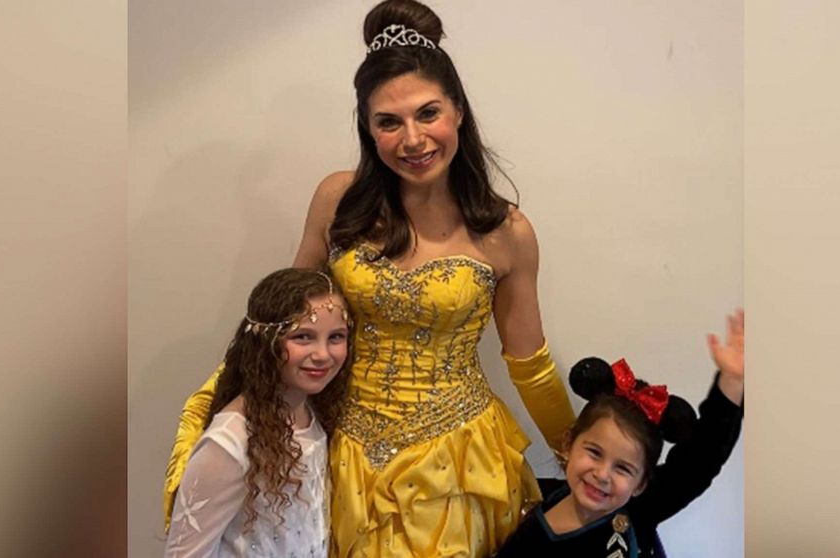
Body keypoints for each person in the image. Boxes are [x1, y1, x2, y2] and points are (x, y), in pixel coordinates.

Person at [164, 0, 577, 555]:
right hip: (342, 449)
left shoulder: (507, 232)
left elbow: (530, 365)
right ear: (368, 127)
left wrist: (579, 451)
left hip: (456, 462)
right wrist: (210, 413)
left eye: (428, 113)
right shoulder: (338, 200)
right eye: (389, 121)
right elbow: (277, 322)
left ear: (457, 110)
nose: (413, 139)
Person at [494, 310, 745, 557]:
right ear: (569, 443)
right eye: (594, 452)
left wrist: (732, 382)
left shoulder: (640, 509)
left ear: (641, 484)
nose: (602, 474)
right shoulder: (533, 524)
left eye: (623, 468)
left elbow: (700, 461)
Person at [163, 268, 352, 557]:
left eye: (336, 337)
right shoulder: (230, 443)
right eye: (303, 337)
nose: (323, 354)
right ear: (265, 341)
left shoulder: (313, 415)